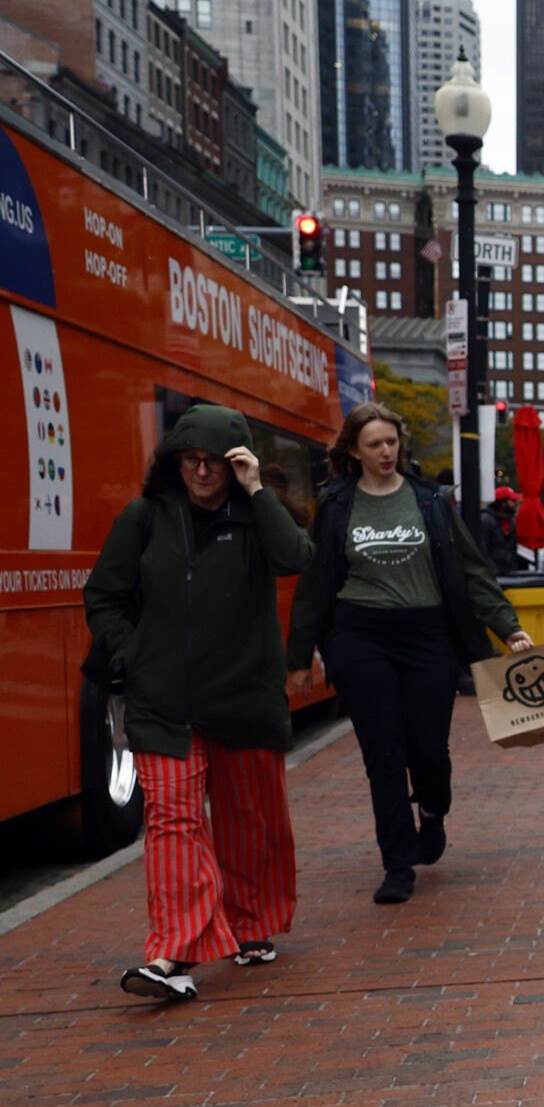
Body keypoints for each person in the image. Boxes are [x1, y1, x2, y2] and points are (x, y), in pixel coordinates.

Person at [83, 405, 314, 1001]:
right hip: (164, 701)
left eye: (216, 461)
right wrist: (132, 654)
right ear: (174, 461)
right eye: (191, 460)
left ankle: (252, 923)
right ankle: (171, 954)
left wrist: (257, 489)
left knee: (249, 821)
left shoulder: (256, 517)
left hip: (244, 695)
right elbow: (105, 595)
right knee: (171, 820)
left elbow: (296, 558)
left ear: (238, 464)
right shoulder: (144, 519)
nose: (202, 471)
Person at [286, 404, 534, 906]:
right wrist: (297, 658)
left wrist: (510, 629)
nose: (385, 451)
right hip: (360, 636)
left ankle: (434, 811)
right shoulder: (336, 504)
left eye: (391, 442)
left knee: (427, 750)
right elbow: (315, 586)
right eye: (374, 444)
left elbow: (472, 572)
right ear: (353, 450)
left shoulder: (430, 501)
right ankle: (397, 863)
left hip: (427, 637)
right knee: (384, 753)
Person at [479, 488, 524, 573]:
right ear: (503, 503)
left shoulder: (511, 523)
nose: (516, 504)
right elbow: (483, 550)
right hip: (492, 574)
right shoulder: (486, 520)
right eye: (513, 500)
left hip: (508, 572)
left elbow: (513, 550)